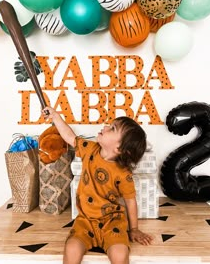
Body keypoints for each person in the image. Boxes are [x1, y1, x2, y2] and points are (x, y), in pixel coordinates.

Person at [42, 106, 154, 264]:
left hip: (112, 221)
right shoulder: (89, 149)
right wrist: (55, 116)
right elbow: (70, 137)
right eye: (110, 124)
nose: (106, 126)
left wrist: (134, 229)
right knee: (71, 249)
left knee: (120, 254)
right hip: (85, 221)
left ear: (120, 148)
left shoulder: (123, 174)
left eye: (113, 128)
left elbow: (130, 200)